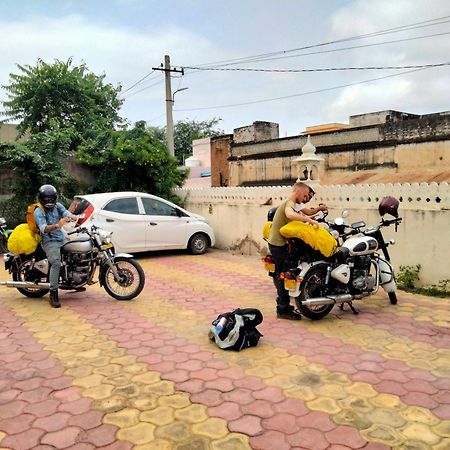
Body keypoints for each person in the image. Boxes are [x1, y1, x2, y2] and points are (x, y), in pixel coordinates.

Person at [267, 182, 328, 320]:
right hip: (279, 246)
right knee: (284, 276)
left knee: (281, 275)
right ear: (298, 192)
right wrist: (309, 221)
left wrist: (314, 213)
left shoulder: (294, 203)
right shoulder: (290, 203)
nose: (306, 198)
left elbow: (304, 213)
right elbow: (290, 214)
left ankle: (283, 305)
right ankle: (283, 310)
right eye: (305, 195)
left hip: (276, 245)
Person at [34, 184, 79, 308]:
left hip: (61, 238)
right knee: (56, 263)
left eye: (51, 197)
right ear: (42, 198)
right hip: (49, 241)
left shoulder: (57, 206)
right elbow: (43, 228)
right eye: (46, 198)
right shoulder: (39, 211)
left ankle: (75, 282)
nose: (49, 200)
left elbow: (66, 212)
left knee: (75, 252)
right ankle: (53, 293)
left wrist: (73, 217)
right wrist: (58, 225)